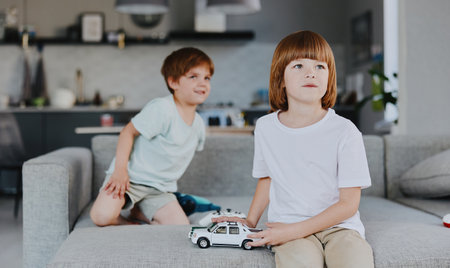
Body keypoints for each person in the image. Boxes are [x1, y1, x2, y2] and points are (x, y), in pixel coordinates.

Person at [213, 30, 374, 268]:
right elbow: (267, 179)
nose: (311, 72)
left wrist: (296, 230)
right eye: (298, 66)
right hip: (286, 225)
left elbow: (349, 204)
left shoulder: (345, 130)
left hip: (340, 228)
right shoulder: (266, 127)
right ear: (280, 78)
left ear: (329, 77)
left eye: (320, 66)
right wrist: (249, 220)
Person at [90, 47, 214, 226]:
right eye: (193, 76)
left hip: (159, 190)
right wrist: (119, 171)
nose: (203, 83)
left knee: (181, 229)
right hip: (129, 180)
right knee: (101, 216)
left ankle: (141, 210)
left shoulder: (199, 125)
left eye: (207, 77)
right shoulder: (162, 108)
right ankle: (133, 222)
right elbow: (127, 132)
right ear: (173, 82)